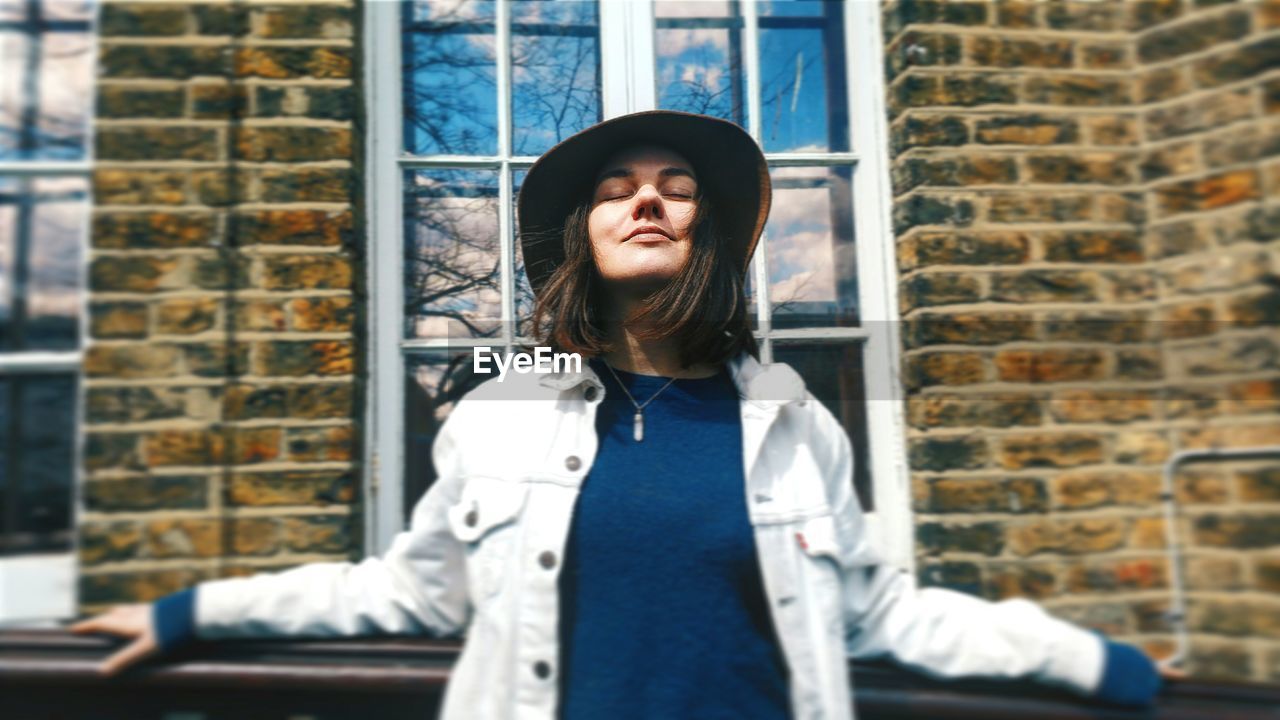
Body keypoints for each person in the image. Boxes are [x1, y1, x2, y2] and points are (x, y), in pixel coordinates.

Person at [71, 110, 1178, 719]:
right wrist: (188, 613)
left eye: (675, 186)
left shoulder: (797, 428)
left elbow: (879, 614)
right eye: (615, 187)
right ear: (585, 238)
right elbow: (404, 592)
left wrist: (1094, 666)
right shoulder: (496, 420)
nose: (646, 197)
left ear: (704, 232)